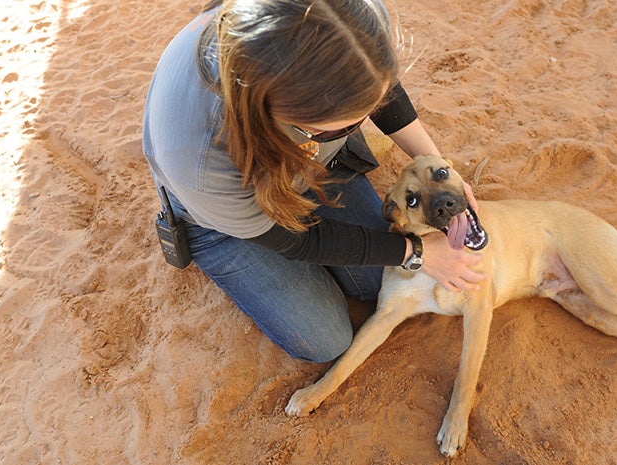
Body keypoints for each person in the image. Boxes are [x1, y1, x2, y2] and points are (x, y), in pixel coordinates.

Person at [142, 0, 484, 363]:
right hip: (228, 218)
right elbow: (293, 241)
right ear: (295, 118)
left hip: (312, 159)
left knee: (378, 281)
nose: (367, 121)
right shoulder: (204, 160)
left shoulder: (334, 27)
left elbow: (371, 78)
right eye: (351, 123)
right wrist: (419, 253)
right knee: (326, 340)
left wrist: (434, 165)